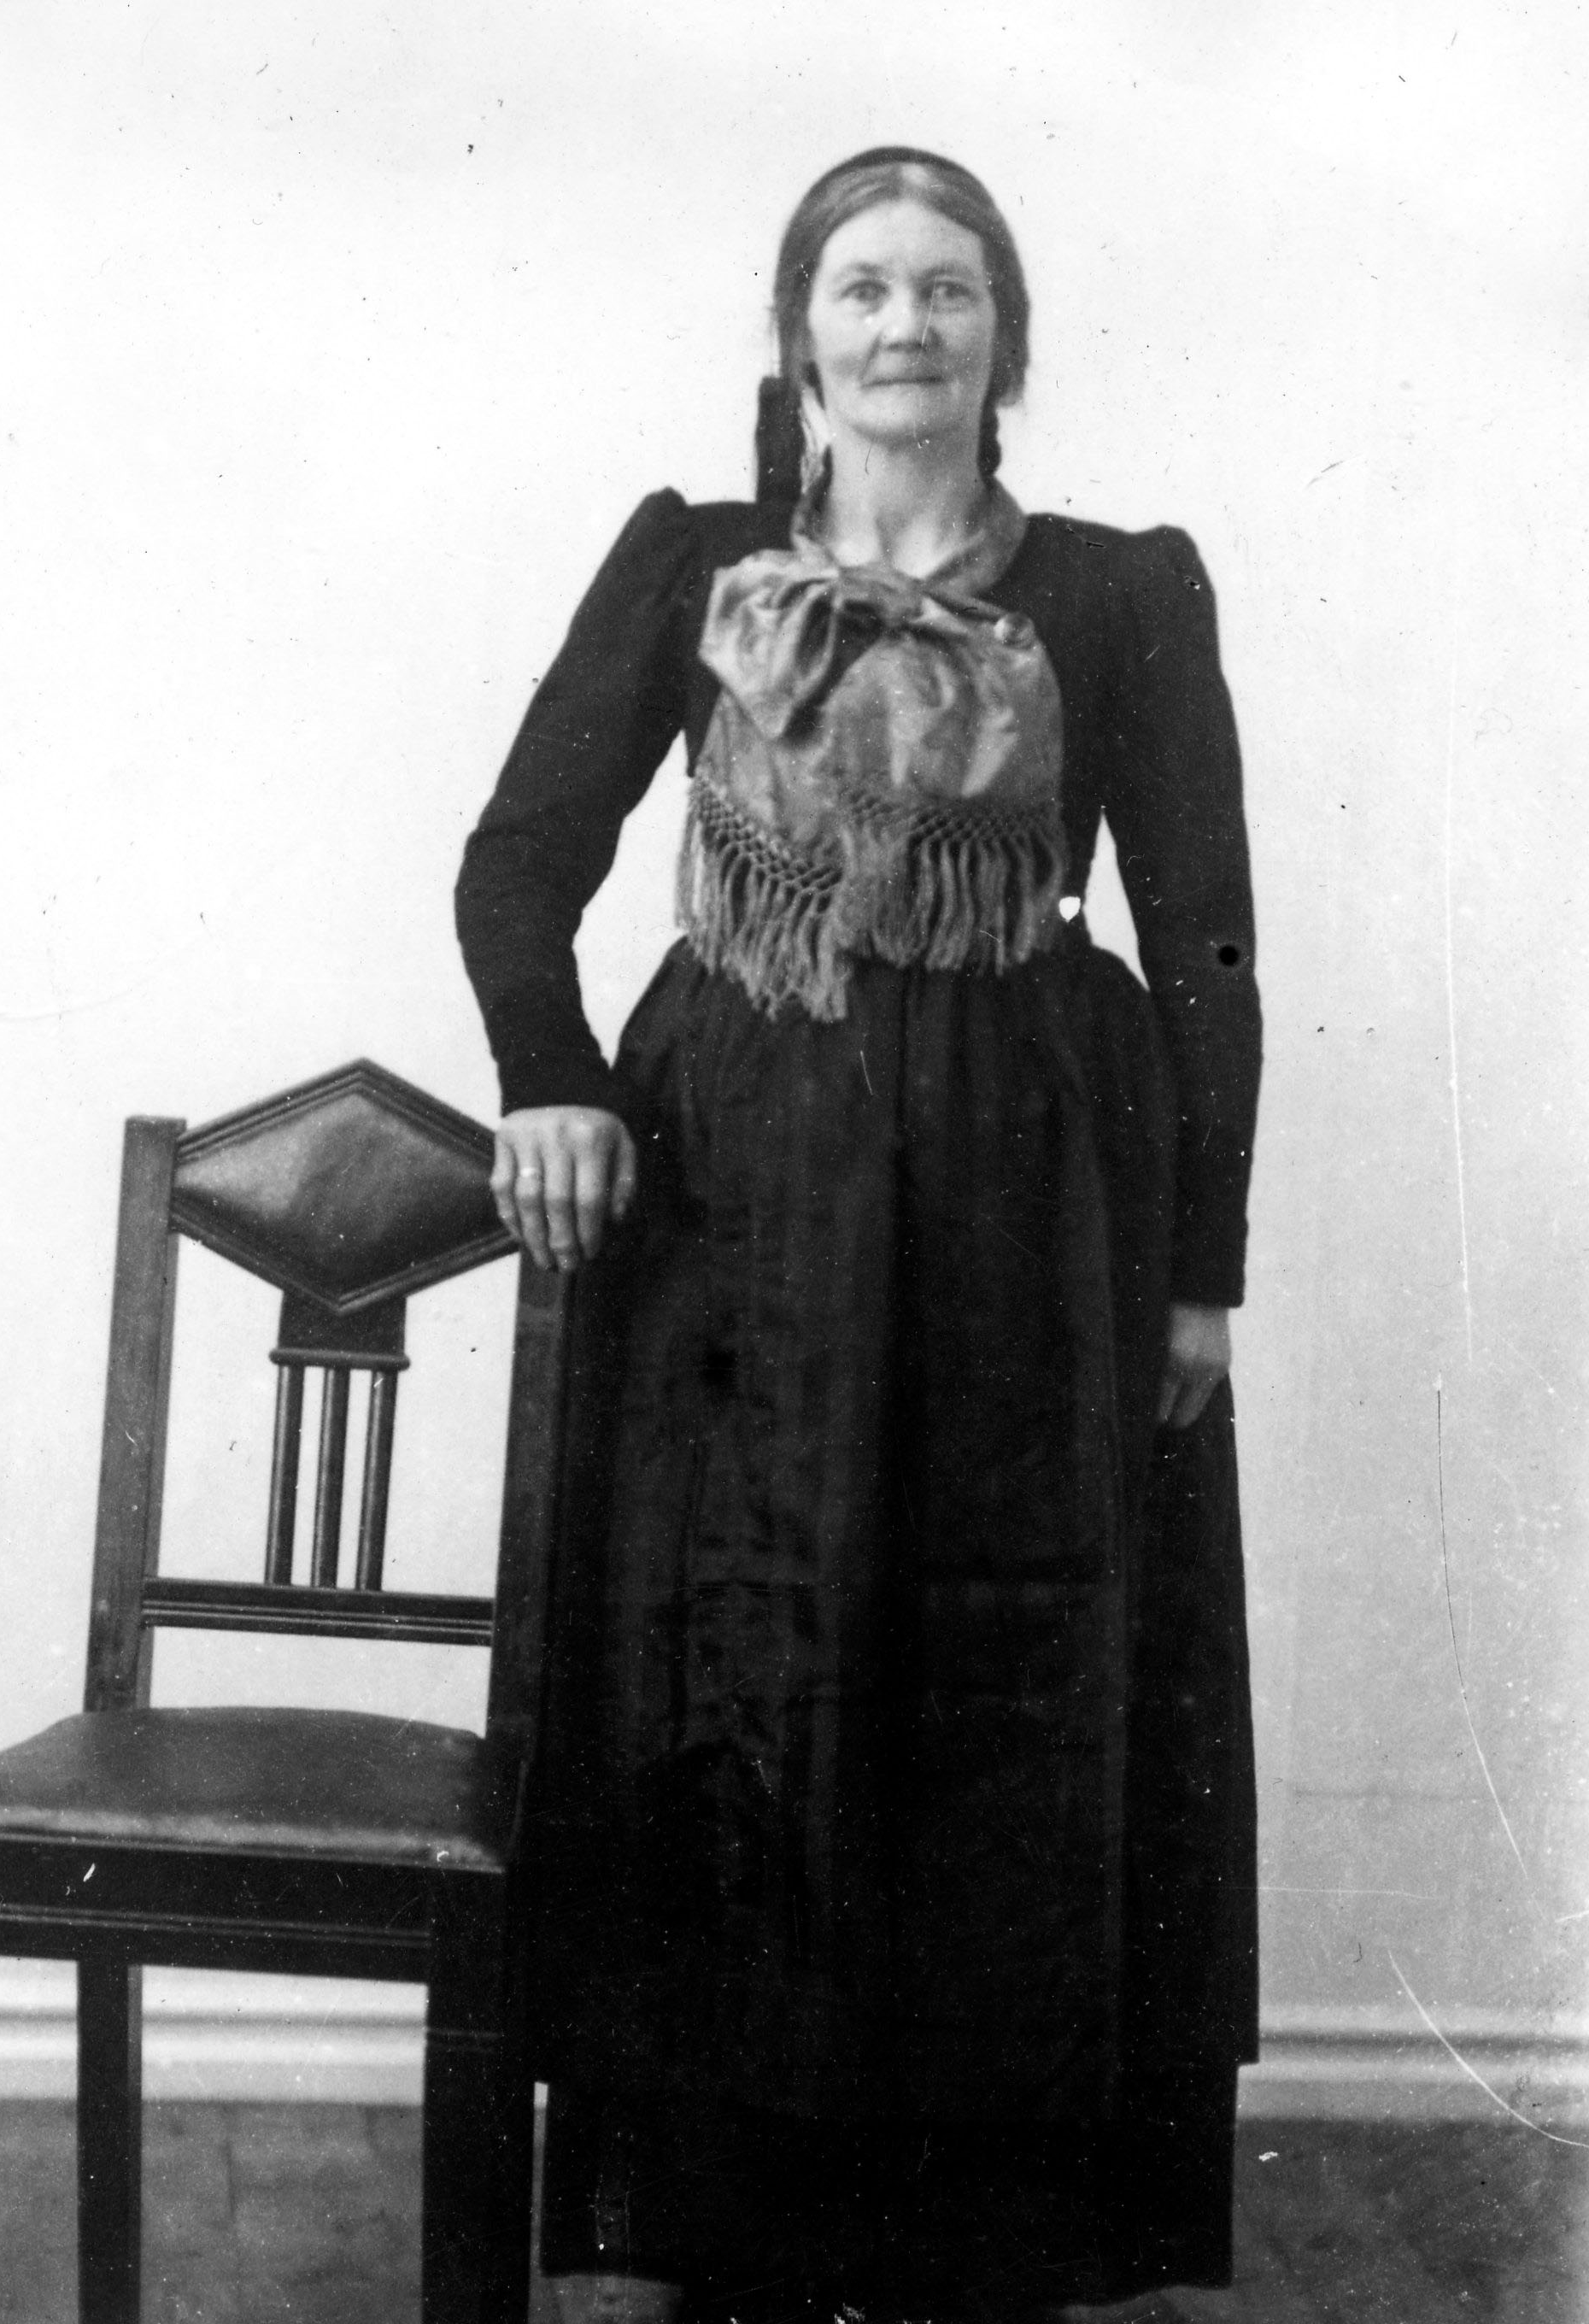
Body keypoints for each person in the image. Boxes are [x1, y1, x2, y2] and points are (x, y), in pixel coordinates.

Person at [455, 148, 1262, 2324]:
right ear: (797, 333)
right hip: (733, 1204)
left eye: (948, 290)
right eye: (863, 288)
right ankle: (714, 2222)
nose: (906, 325)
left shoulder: (1118, 590)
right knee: (734, 1654)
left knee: (1003, 1671)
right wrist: (547, 1072)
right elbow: (516, 863)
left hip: (1032, 1210)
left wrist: (1200, 1269)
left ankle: (985, 2239)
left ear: (1006, 337)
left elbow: (1203, 945)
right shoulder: (691, 564)